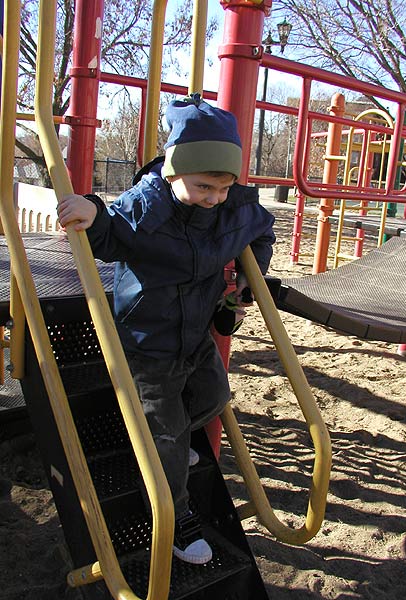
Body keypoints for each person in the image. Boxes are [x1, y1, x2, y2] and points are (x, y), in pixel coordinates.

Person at [57, 94, 276, 565]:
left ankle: (166, 445)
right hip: (146, 343)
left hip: (194, 335)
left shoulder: (232, 208)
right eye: (203, 187)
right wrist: (92, 212)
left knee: (215, 398)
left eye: (222, 188)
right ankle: (175, 523)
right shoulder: (147, 209)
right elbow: (110, 234)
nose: (213, 198)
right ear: (173, 172)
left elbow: (262, 230)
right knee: (167, 438)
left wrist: (246, 277)